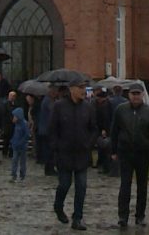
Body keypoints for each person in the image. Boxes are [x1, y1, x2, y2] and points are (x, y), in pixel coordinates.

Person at [110, 82, 149, 228]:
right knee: (125, 185)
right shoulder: (121, 110)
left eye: (138, 94)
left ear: (142, 95)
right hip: (125, 152)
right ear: (129, 95)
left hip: (143, 153)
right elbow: (114, 130)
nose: (135, 97)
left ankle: (140, 216)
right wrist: (113, 150)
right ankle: (123, 216)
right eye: (133, 94)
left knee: (142, 186)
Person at [50, 79, 98, 231]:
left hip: (82, 154)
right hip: (64, 154)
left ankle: (77, 218)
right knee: (64, 184)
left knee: (81, 187)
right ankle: (58, 206)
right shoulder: (59, 106)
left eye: (84, 88)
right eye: (80, 88)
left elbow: (94, 129)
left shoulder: (88, 108)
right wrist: (56, 147)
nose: (83, 91)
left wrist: (89, 144)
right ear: (71, 89)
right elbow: (52, 130)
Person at [37, 85, 58, 175]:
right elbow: (52, 113)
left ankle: (49, 168)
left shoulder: (47, 100)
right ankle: (49, 169)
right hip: (47, 130)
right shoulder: (48, 101)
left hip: (45, 129)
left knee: (49, 150)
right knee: (49, 150)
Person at [9, 106, 30, 181]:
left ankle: (22, 175)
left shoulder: (24, 124)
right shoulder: (17, 124)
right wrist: (12, 141)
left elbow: (27, 135)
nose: (13, 118)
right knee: (14, 160)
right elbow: (15, 135)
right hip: (16, 146)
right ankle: (14, 174)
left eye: (15, 116)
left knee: (22, 162)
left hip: (22, 147)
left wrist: (21, 143)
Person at [2, 90, 18, 160]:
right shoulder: (5, 104)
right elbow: (4, 114)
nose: (12, 97)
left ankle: (11, 153)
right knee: (6, 139)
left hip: (14, 125)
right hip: (7, 124)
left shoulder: (16, 104)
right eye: (11, 96)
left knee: (13, 139)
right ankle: (5, 152)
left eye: (14, 96)